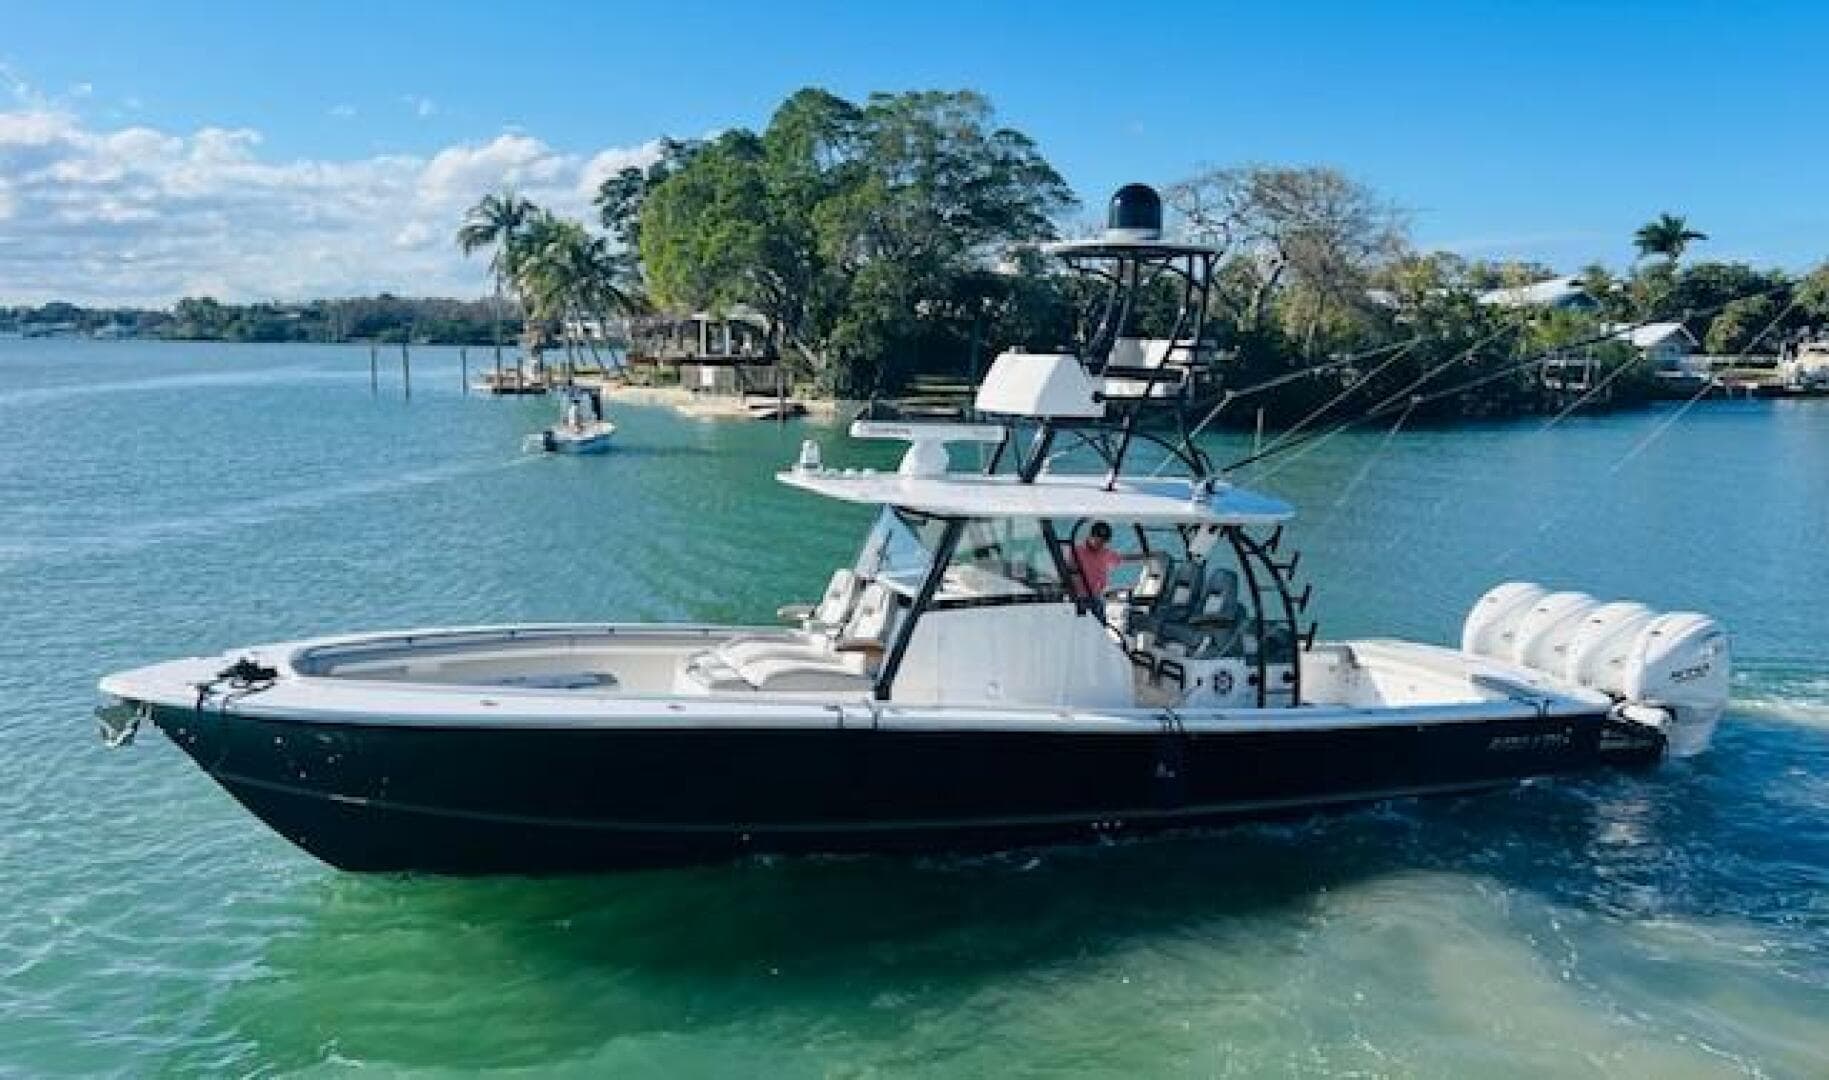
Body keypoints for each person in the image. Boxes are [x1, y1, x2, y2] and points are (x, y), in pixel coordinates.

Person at [1071, 521, 1130, 598]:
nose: (1100, 543)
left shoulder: (1106, 553)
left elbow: (1122, 558)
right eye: (1097, 539)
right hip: (1078, 597)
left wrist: (1146, 556)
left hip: (1097, 597)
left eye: (1103, 541)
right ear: (1090, 536)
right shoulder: (1076, 551)